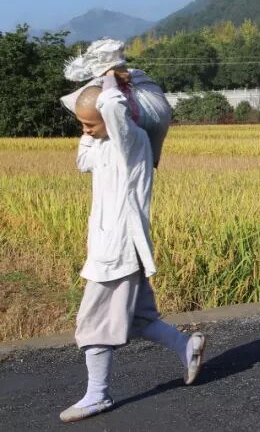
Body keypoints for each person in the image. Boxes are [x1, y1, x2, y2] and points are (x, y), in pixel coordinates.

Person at [61, 68, 205, 423]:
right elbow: (82, 160)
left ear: (116, 116)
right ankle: (185, 346)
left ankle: (98, 395)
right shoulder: (101, 144)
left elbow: (112, 108)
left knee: (93, 323)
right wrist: (91, 106)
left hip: (117, 250)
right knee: (139, 319)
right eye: (81, 124)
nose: (85, 130)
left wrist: (110, 77)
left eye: (90, 124)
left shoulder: (133, 142)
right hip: (114, 247)